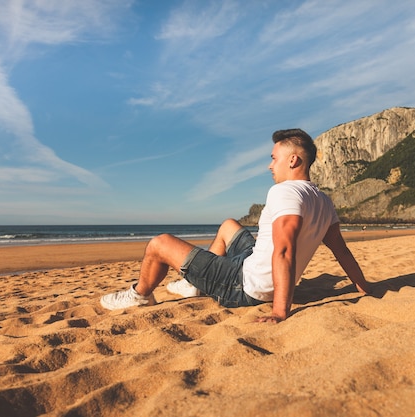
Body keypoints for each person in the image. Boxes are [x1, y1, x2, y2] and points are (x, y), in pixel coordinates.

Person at [100, 128, 370, 322]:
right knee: (229, 225)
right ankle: (198, 285)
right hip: (249, 263)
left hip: (243, 285)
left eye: (274, 158)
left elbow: (284, 251)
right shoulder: (323, 201)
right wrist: (365, 288)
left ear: (293, 160)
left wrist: (279, 311)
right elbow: (342, 252)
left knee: (159, 244)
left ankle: (139, 295)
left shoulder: (284, 192)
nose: (269, 165)